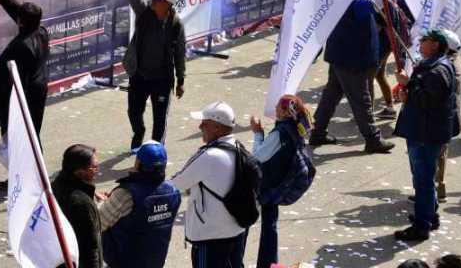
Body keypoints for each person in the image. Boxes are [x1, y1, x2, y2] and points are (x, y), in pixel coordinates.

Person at [393, 30, 460, 241]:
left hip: (425, 133)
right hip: (423, 129)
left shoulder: (438, 70)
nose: (420, 43)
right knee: (424, 178)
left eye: (425, 40)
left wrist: (408, 86)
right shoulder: (434, 65)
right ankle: (430, 215)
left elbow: (429, 102)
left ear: (436, 45)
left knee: (423, 181)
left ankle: (422, 226)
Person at [310, 0, 395, 153]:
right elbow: (377, 2)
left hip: (341, 56)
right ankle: (373, 139)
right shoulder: (352, 0)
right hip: (352, 60)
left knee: (331, 96)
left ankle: (317, 131)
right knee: (361, 100)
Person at [170, 102, 250, 268]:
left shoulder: (209, 156)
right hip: (237, 231)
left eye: (204, 123)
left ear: (217, 128)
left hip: (210, 238)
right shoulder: (240, 149)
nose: (200, 127)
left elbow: (176, 183)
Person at [118, 0, 187, 149]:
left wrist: (180, 80)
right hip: (139, 75)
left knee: (160, 119)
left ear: (167, 4)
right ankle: (139, 132)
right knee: (134, 112)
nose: (154, 1)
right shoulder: (144, 13)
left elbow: (180, 52)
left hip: (162, 79)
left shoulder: (176, 25)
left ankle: (156, 150)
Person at [0, 0, 49, 191]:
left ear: (21, 22)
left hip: (20, 101)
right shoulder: (40, 32)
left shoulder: (22, 47)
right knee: (31, 137)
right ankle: (34, 176)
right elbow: (20, 15)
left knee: (19, 140)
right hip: (35, 95)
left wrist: (2, 102)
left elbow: (15, 81)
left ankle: (22, 180)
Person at [249, 95, 315, 268]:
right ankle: (269, 263)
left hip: (274, 182)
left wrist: (258, 133)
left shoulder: (280, 132)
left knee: (257, 222)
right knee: (270, 221)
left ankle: (266, 263)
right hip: (285, 180)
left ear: (285, 112)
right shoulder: (296, 127)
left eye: (278, 105)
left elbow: (257, 158)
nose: (275, 107)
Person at [99, 141, 180, 268]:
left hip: (123, 262)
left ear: (139, 163)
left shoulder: (126, 194)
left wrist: (103, 202)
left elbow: (99, 222)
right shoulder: (173, 192)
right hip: (155, 261)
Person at [52, 144, 102, 268]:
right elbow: (89, 249)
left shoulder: (56, 185)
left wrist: (92, 193)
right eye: (94, 167)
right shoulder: (81, 204)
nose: (98, 170)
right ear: (80, 171)